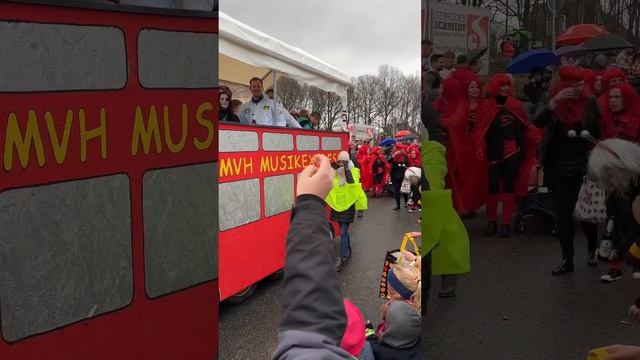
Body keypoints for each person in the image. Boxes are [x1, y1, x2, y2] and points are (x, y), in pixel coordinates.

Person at [272, 154, 350, 359]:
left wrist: (309, 203)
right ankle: (344, 253)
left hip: (344, 208)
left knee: (345, 234)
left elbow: (309, 341)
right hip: (338, 209)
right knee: (344, 234)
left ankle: (344, 253)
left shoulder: (350, 172)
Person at [533, 65, 601, 275]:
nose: (578, 88)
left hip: (582, 163)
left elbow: (597, 134)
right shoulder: (551, 98)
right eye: (574, 85)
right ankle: (567, 259)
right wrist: (555, 102)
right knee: (563, 213)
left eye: (580, 84)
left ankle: (591, 249)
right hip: (557, 163)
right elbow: (537, 121)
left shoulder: (590, 102)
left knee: (585, 213)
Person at [473, 74, 537, 238]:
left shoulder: (515, 105)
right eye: (502, 86)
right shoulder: (486, 106)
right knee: (493, 185)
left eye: (507, 86)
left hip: (512, 151)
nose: (505, 88)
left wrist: (534, 140)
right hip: (493, 152)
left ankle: (506, 223)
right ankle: (492, 221)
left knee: (509, 185)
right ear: (495, 87)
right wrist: (480, 147)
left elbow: (525, 127)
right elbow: (480, 130)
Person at [368, 257, 421, 359]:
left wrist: (370, 335)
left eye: (390, 291)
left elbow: (376, 349)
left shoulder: (397, 314)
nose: (387, 292)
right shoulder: (415, 310)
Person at [326, 151, 367, 272]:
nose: (341, 162)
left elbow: (351, 182)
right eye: (340, 160)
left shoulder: (354, 170)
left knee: (343, 231)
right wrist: (333, 168)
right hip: (338, 205)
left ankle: (342, 257)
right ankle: (348, 249)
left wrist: (346, 168)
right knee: (342, 230)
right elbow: (331, 182)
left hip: (348, 205)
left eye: (343, 161)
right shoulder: (337, 172)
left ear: (348, 161)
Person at [389, 145, 409, 210]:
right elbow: (388, 161)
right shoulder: (393, 155)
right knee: (397, 190)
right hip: (395, 175)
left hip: (403, 175)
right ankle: (398, 205)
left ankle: (406, 201)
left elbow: (406, 163)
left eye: (399, 149)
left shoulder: (405, 156)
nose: (398, 150)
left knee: (404, 190)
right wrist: (394, 155)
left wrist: (402, 161)